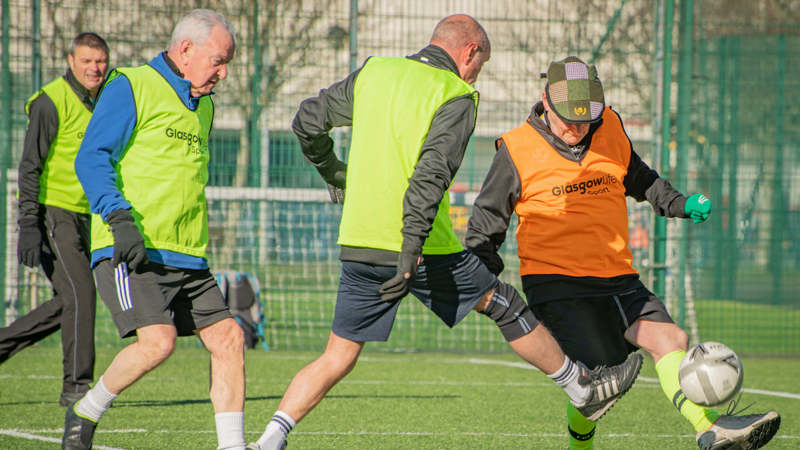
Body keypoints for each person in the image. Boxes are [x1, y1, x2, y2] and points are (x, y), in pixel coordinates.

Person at [246, 15, 643, 450]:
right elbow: (431, 175)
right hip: (417, 247)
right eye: (480, 65)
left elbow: (306, 120)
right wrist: (412, 245)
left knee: (338, 355)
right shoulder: (456, 94)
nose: (477, 75)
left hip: (359, 240)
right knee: (503, 302)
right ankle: (581, 387)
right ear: (469, 52)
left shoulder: (374, 71)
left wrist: (335, 172)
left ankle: (270, 438)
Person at [465, 56, 781, 450]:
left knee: (671, 337)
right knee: (601, 384)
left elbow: (641, 179)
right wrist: (476, 276)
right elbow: (486, 223)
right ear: (545, 100)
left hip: (618, 276)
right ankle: (582, 446)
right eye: (567, 118)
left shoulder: (610, 126)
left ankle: (709, 429)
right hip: (557, 285)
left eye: (586, 119)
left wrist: (679, 203)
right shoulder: (515, 148)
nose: (577, 129)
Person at [61, 10, 245, 450]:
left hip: (187, 255)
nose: (222, 74)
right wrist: (119, 218)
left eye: (227, 65)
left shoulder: (206, 107)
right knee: (158, 343)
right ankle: (87, 409)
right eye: (217, 61)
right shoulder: (132, 85)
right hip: (132, 247)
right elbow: (91, 157)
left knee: (229, 337)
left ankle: (233, 446)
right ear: (185, 50)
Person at [0, 32, 109, 407]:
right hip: (53, 212)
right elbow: (30, 166)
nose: (94, 68)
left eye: (100, 61)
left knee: (70, 300)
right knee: (81, 295)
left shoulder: (105, 99)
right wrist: (28, 223)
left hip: (87, 216)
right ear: (70, 60)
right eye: (87, 61)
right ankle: (77, 387)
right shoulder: (50, 102)